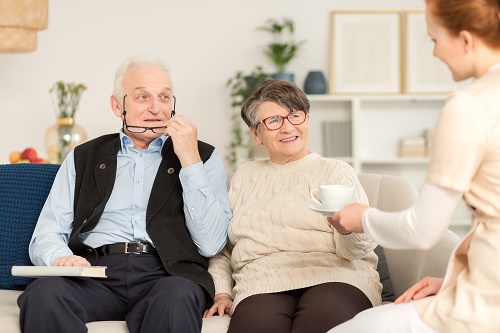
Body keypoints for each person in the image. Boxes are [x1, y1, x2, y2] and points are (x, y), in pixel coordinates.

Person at [17, 54, 232, 333]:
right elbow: (46, 234)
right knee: (43, 295)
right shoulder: (84, 157)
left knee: (177, 297)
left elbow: (211, 243)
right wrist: (61, 258)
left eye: (165, 98)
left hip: (167, 274)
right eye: (143, 97)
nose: (156, 108)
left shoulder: (202, 156)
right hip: (95, 272)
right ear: (118, 105)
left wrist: (189, 160)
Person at [327, 1, 500, 332]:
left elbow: (422, 230)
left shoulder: (469, 106)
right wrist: (453, 281)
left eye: (434, 40)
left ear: (466, 40)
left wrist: (360, 217)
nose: (434, 53)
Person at [203, 78, 382, 333]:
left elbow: (356, 251)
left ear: (307, 119)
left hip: (336, 275)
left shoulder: (335, 172)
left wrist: (348, 229)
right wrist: (221, 291)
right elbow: (222, 248)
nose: (287, 128)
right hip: (262, 282)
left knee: (322, 319)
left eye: (295, 116)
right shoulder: (245, 176)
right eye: (274, 121)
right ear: (256, 134)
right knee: (256, 325)